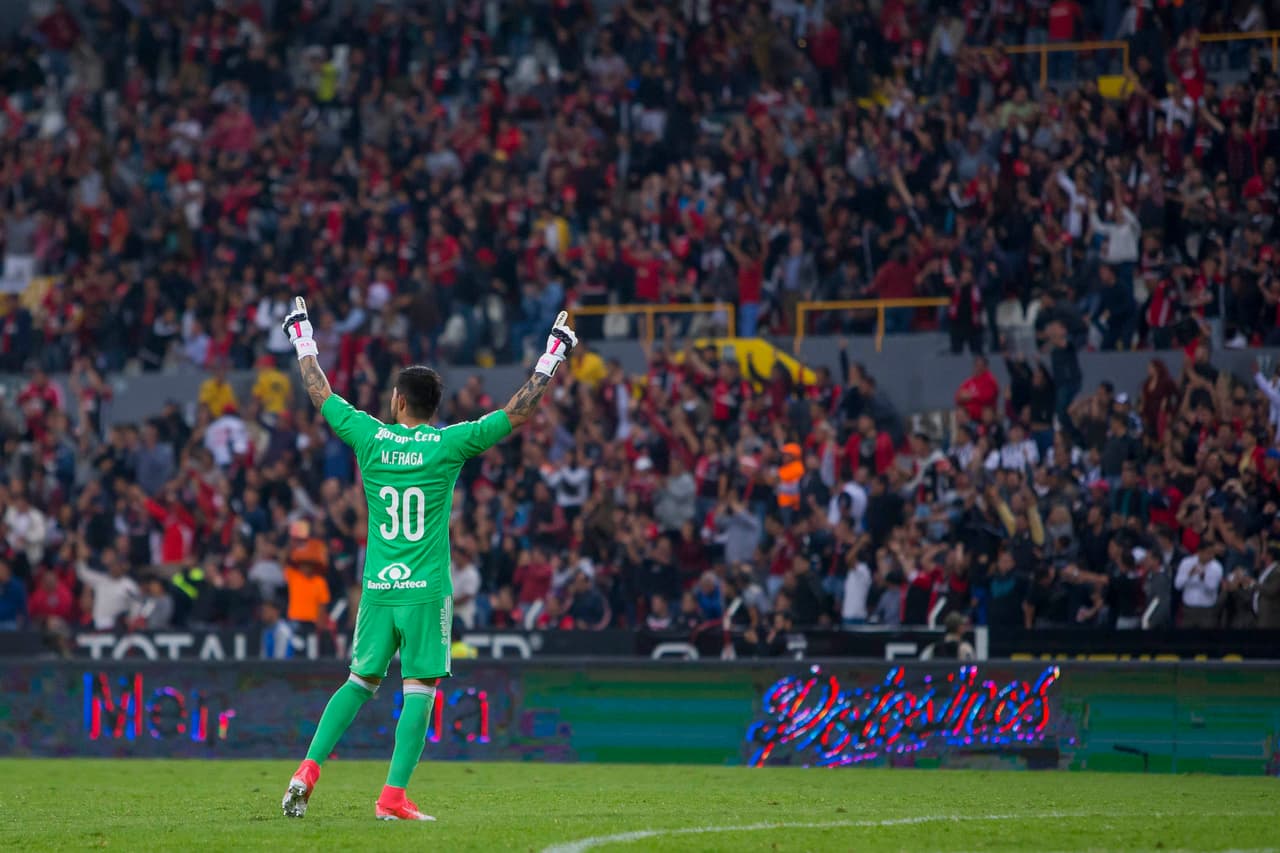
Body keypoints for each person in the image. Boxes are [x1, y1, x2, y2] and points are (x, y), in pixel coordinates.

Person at [280, 298, 577, 822]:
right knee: (419, 688)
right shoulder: (449, 445)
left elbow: (318, 389)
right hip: (425, 588)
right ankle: (392, 798)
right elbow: (519, 410)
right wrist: (553, 352)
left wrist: (301, 333)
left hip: (377, 587)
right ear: (433, 407)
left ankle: (307, 770)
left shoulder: (368, 435)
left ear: (396, 401)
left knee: (358, 682)